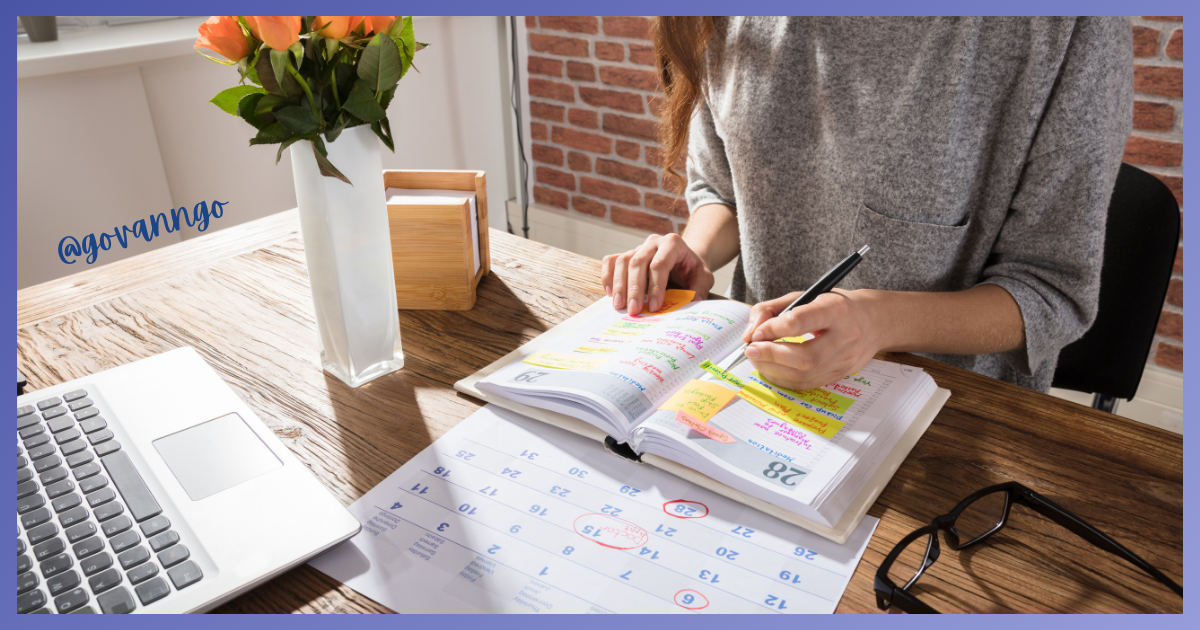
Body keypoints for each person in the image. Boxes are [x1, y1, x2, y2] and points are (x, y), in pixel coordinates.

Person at [600, 16, 1133, 393]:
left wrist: (878, 322)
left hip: (948, 414)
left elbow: (1051, 291)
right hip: (754, 381)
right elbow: (725, 190)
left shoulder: (1069, 25)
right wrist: (694, 252)